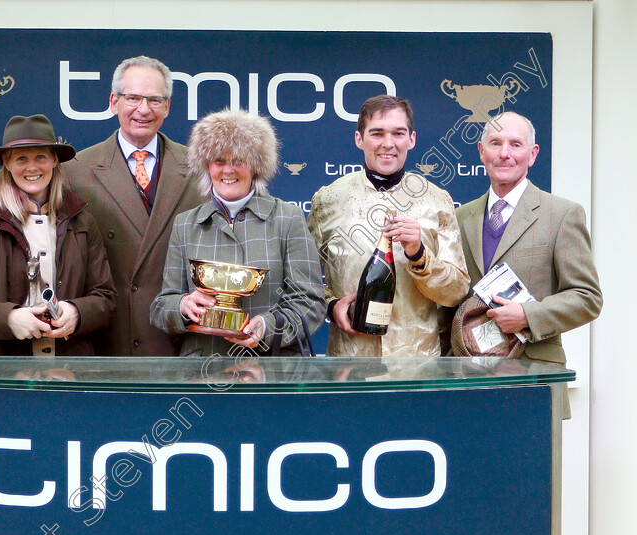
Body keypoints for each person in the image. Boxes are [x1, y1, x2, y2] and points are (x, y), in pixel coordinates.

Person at [150, 109, 326, 357]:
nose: (228, 170)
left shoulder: (288, 219)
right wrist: (182, 305)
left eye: (238, 161)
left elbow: (311, 303)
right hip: (201, 371)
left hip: (271, 371)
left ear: (256, 166)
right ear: (207, 165)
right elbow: (161, 306)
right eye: (219, 160)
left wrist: (268, 327)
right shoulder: (185, 224)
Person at [307, 95, 470, 357]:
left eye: (398, 133)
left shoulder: (438, 200)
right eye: (377, 133)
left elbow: (456, 292)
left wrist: (419, 254)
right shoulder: (328, 200)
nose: (388, 143)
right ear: (359, 139)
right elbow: (305, 280)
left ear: (411, 139)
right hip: (351, 362)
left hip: (417, 367)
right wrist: (332, 306)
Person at [62, 55, 202, 356]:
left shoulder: (199, 168)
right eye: (133, 98)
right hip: (106, 341)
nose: (143, 109)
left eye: (154, 100)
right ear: (114, 102)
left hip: (179, 339)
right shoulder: (74, 170)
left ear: (167, 107)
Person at [0, 114, 116, 356]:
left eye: (41, 157)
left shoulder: (82, 221)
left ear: (55, 160)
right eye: (21, 158)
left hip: (70, 365)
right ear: (6, 162)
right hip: (3, 367)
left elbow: (105, 296)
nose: (32, 167)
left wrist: (77, 312)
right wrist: (9, 318)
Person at [453, 111, 602, 364]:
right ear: (481, 151)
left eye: (516, 144)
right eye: (495, 143)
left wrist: (527, 315)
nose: (504, 154)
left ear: (532, 154)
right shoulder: (459, 217)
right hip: (469, 375)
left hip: (534, 372)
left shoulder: (562, 214)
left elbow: (587, 297)